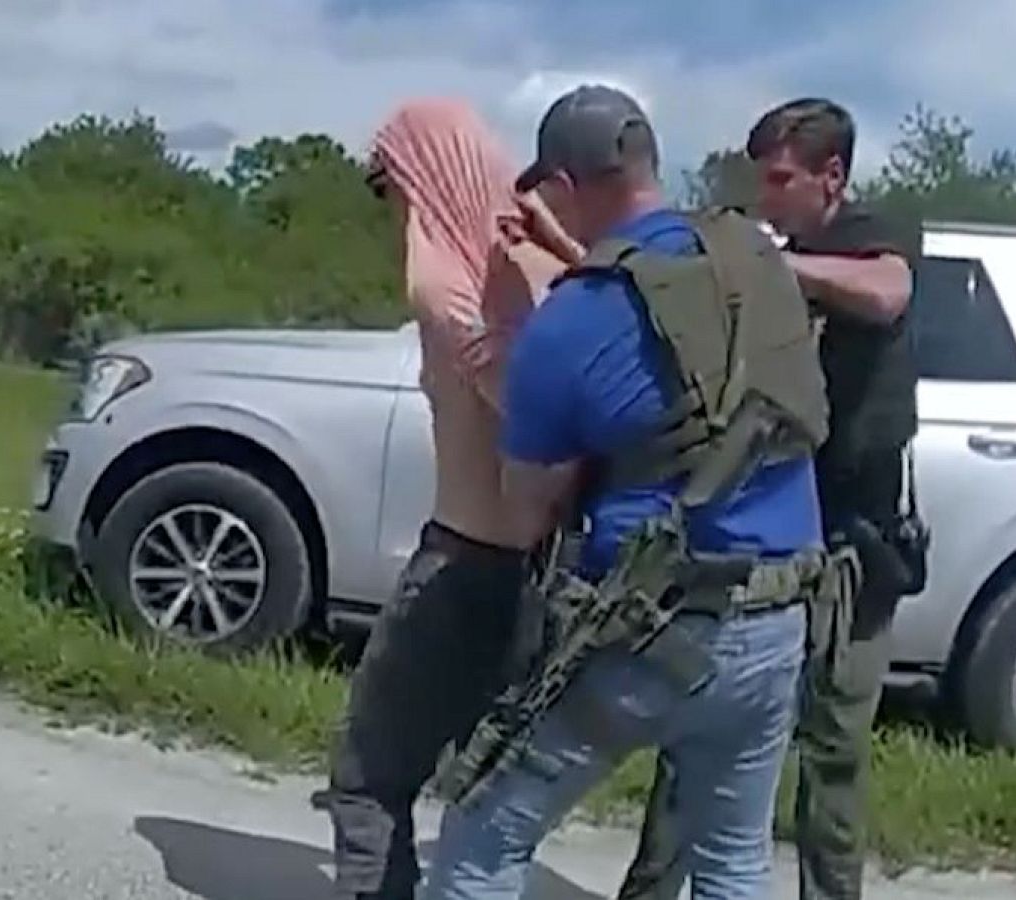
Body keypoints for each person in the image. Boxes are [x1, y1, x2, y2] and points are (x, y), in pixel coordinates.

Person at [422, 83, 837, 900]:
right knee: (733, 857)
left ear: (564, 186)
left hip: (646, 630)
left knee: (483, 835)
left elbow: (527, 511)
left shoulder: (571, 321)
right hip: (779, 618)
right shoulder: (755, 264)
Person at [619, 97, 921, 900]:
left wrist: (775, 266)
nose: (768, 195)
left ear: (832, 176)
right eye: (762, 179)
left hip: (852, 544)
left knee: (834, 750)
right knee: (701, 735)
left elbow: (887, 293)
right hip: (763, 534)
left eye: (782, 179)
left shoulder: (875, 233)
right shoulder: (761, 255)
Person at [311, 97, 579, 900]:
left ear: (422, 174)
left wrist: (485, 360)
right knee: (488, 783)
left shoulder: (448, 286)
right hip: (537, 573)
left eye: (388, 182)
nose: (391, 204)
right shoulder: (556, 275)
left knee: (369, 777)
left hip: (460, 564)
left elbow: (522, 410)